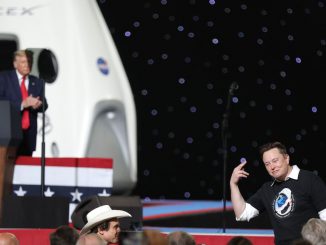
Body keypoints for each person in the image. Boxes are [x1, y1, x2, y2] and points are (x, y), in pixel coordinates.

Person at [230, 141, 326, 245]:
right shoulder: (267, 189)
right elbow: (242, 213)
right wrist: (233, 184)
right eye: (267, 164)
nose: (272, 167)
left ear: (286, 158)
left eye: (275, 161)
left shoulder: (309, 179)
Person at [0, 49, 48, 156]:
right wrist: (22, 104)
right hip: (8, 136)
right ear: (15, 64)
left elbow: (45, 104)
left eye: (29, 62)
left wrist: (38, 104)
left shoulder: (37, 82)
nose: (27, 65)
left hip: (28, 137)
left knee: (25, 170)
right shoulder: (4, 78)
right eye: (23, 62)